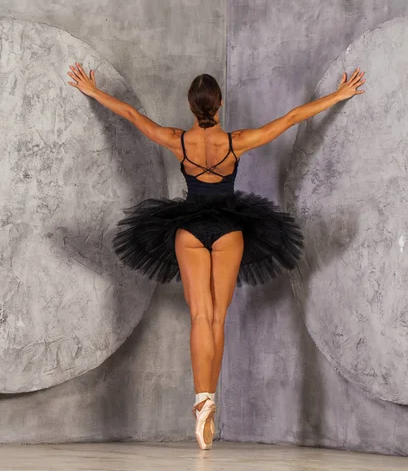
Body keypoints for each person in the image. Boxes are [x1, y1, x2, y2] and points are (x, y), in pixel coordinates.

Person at [67, 63, 365, 449]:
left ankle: (200, 401)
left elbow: (129, 114)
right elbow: (290, 118)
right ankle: (211, 404)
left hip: (188, 229)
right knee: (218, 318)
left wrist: (93, 90)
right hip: (230, 229)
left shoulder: (177, 140)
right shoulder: (236, 141)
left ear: (191, 106)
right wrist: (337, 97)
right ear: (219, 104)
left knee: (199, 317)